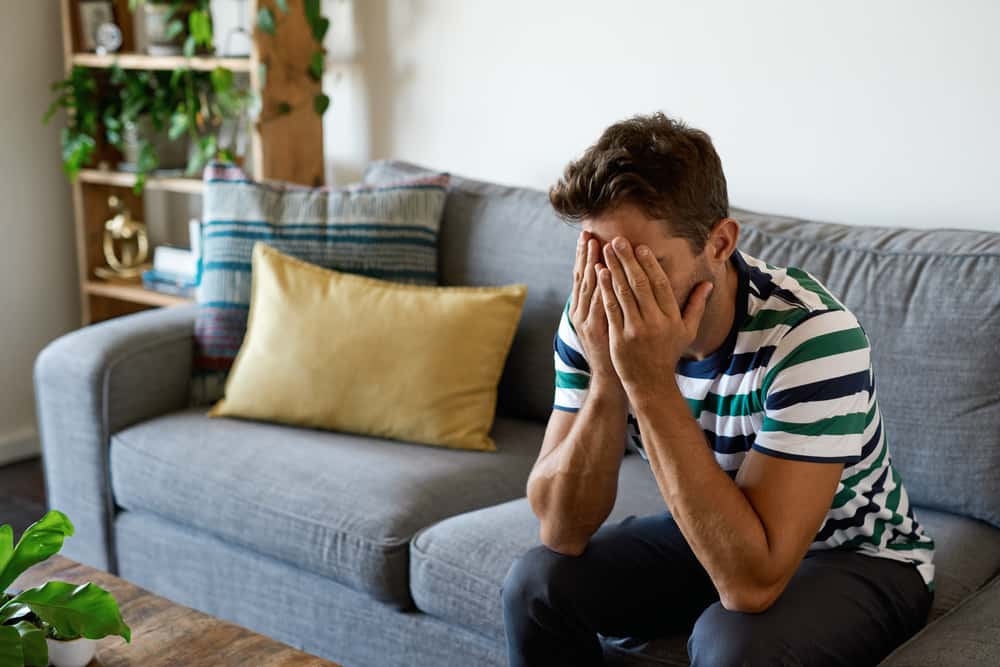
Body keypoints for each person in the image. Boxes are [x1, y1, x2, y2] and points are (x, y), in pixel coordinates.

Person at [501, 112, 935, 666]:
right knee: (536, 584)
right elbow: (560, 529)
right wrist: (609, 377)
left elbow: (750, 585)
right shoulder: (594, 314)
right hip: (718, 524)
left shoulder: (812, 337)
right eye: (602, 263)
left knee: (734, 644)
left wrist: (649, 382)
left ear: (720, 242)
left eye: (644, 266)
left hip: (858, 555)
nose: (619, 293)